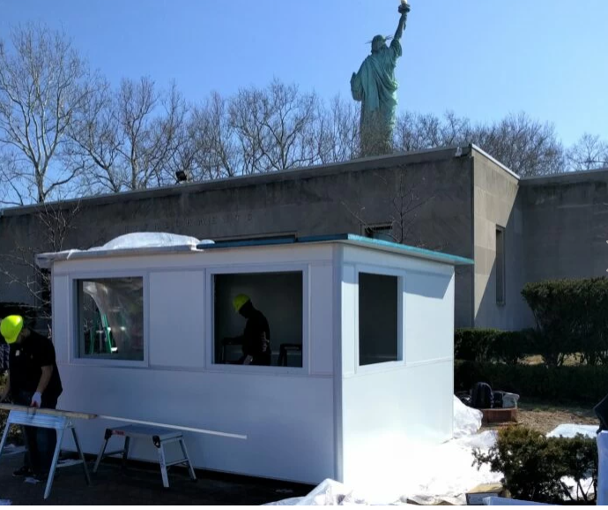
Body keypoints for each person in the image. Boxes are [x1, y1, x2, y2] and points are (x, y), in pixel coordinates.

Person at [0, 315, 63, 482]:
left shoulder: (41, 344)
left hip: (44, 393)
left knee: (43, 431)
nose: (13, 342)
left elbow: (47, 371)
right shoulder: (15, 345)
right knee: (27, 432)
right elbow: (12, 372)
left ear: (22, 330)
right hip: (22, 393)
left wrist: (38, 394)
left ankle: (46, 469)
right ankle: (31, 465)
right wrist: (4, 394)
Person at [350, 1, 410, 156]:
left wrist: (353, 80)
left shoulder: (368, 63)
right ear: (383, 45)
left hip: (375, 107)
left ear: (373, 47)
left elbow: (356, 92)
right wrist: (403, 17)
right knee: (386, 134)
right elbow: (398, 36)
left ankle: (374, 154)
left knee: (374, 137)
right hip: (390, 101)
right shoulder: (388, 55)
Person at [225, 295, 271, 366]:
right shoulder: (257, 317)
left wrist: (231, 341)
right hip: (259, 358)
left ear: (247, 306)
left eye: (240, 310)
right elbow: (250, 337)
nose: (240, 313)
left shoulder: (255, 319)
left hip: (257, 360)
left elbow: (249, 339)